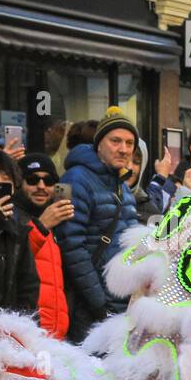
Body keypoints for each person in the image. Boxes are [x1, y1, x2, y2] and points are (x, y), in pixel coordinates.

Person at [57, 107, 140, 342]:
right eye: (115, 141)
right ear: (99, 144)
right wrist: (99, 303)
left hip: (119, 304)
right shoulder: (75, 179)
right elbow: (71, 247)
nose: (123, 149)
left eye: (129, 142)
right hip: (89, 308)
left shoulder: (121, 185)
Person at [12, 153, 72, 338]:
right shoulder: (9, 216)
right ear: (18, 183)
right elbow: (10, 261)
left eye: (48, 181)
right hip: (25, 333)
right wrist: (40, 226)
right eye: (32, 180)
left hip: (55, 336)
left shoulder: (56, 218)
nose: (41, 186)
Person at [0, 149, 38, 318]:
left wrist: (22, 327)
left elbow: (28, 285)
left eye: (6, 180)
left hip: (6, 331)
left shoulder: (17, 228)